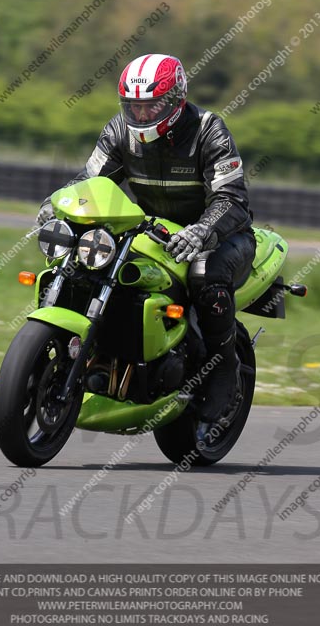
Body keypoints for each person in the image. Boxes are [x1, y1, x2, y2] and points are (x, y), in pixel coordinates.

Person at [37, 54, 256, 423]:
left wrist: (202, 231)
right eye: (132, 106)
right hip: (152, 228)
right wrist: (55, 203)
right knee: (83, 261)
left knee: (204, 276)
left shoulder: (208, 130)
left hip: (222, 234)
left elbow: (232, 198)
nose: (140, 114)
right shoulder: (119, 131)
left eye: (150, 105)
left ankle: (222, 370)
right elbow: (90, 180)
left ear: (175, 99)